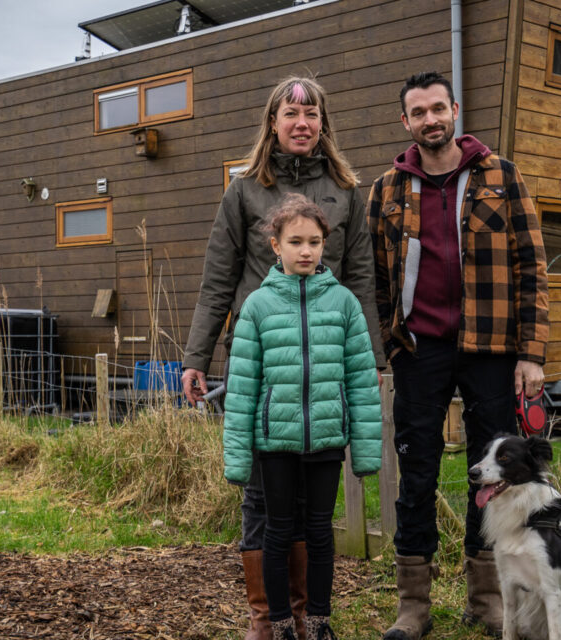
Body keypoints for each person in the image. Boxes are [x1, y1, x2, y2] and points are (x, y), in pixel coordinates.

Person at [180, 76, 384, 638]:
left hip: (324, 369)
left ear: (323, 123)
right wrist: (195, 357)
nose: (301, 122)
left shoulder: (345, 192)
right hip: (260, 364)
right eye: (290, 112)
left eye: (311, 112)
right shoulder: (243, 191)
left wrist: (371, 357)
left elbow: (362, 278)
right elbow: (217, 278)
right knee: (262, 502)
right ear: (272, 121)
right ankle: (263, 616)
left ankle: (303, 612)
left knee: (312, 505)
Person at [367, 71, 550, 640]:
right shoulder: (388, 190)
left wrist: (531, 353)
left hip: (491, 349)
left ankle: (486, 597)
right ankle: (413, 606)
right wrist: (392, 341)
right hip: (419, 351)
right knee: (416, 475)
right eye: (418, 112)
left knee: (491, 474)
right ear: (405, 122)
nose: (430, 120)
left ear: (455, 111)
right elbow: (375, 275)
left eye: (438, 108)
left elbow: (532, 268)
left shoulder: (502, 175)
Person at [223, 193, 382, 640]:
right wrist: (236, 458)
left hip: (327, 440)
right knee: (277, 531)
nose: (307, 250)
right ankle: (279, 625)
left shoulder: (344, 304)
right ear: (276, 245)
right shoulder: (256, 306)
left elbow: (361, 383)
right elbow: (241, 389)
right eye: (296, 241)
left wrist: (366, 452)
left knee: (319, 532)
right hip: (275, 443)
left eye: (315, 241)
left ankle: (317, 621)